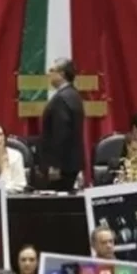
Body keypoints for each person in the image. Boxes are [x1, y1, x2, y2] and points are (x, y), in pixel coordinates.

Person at [40, 58, 85, 191]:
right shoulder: (74, 95)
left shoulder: (61, 99)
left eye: (52, 70)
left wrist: (55, 165)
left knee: (54, 201)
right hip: (70, 164)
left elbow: (61, 134)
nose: (49, 74)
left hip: (61, 167)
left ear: (62, 74)